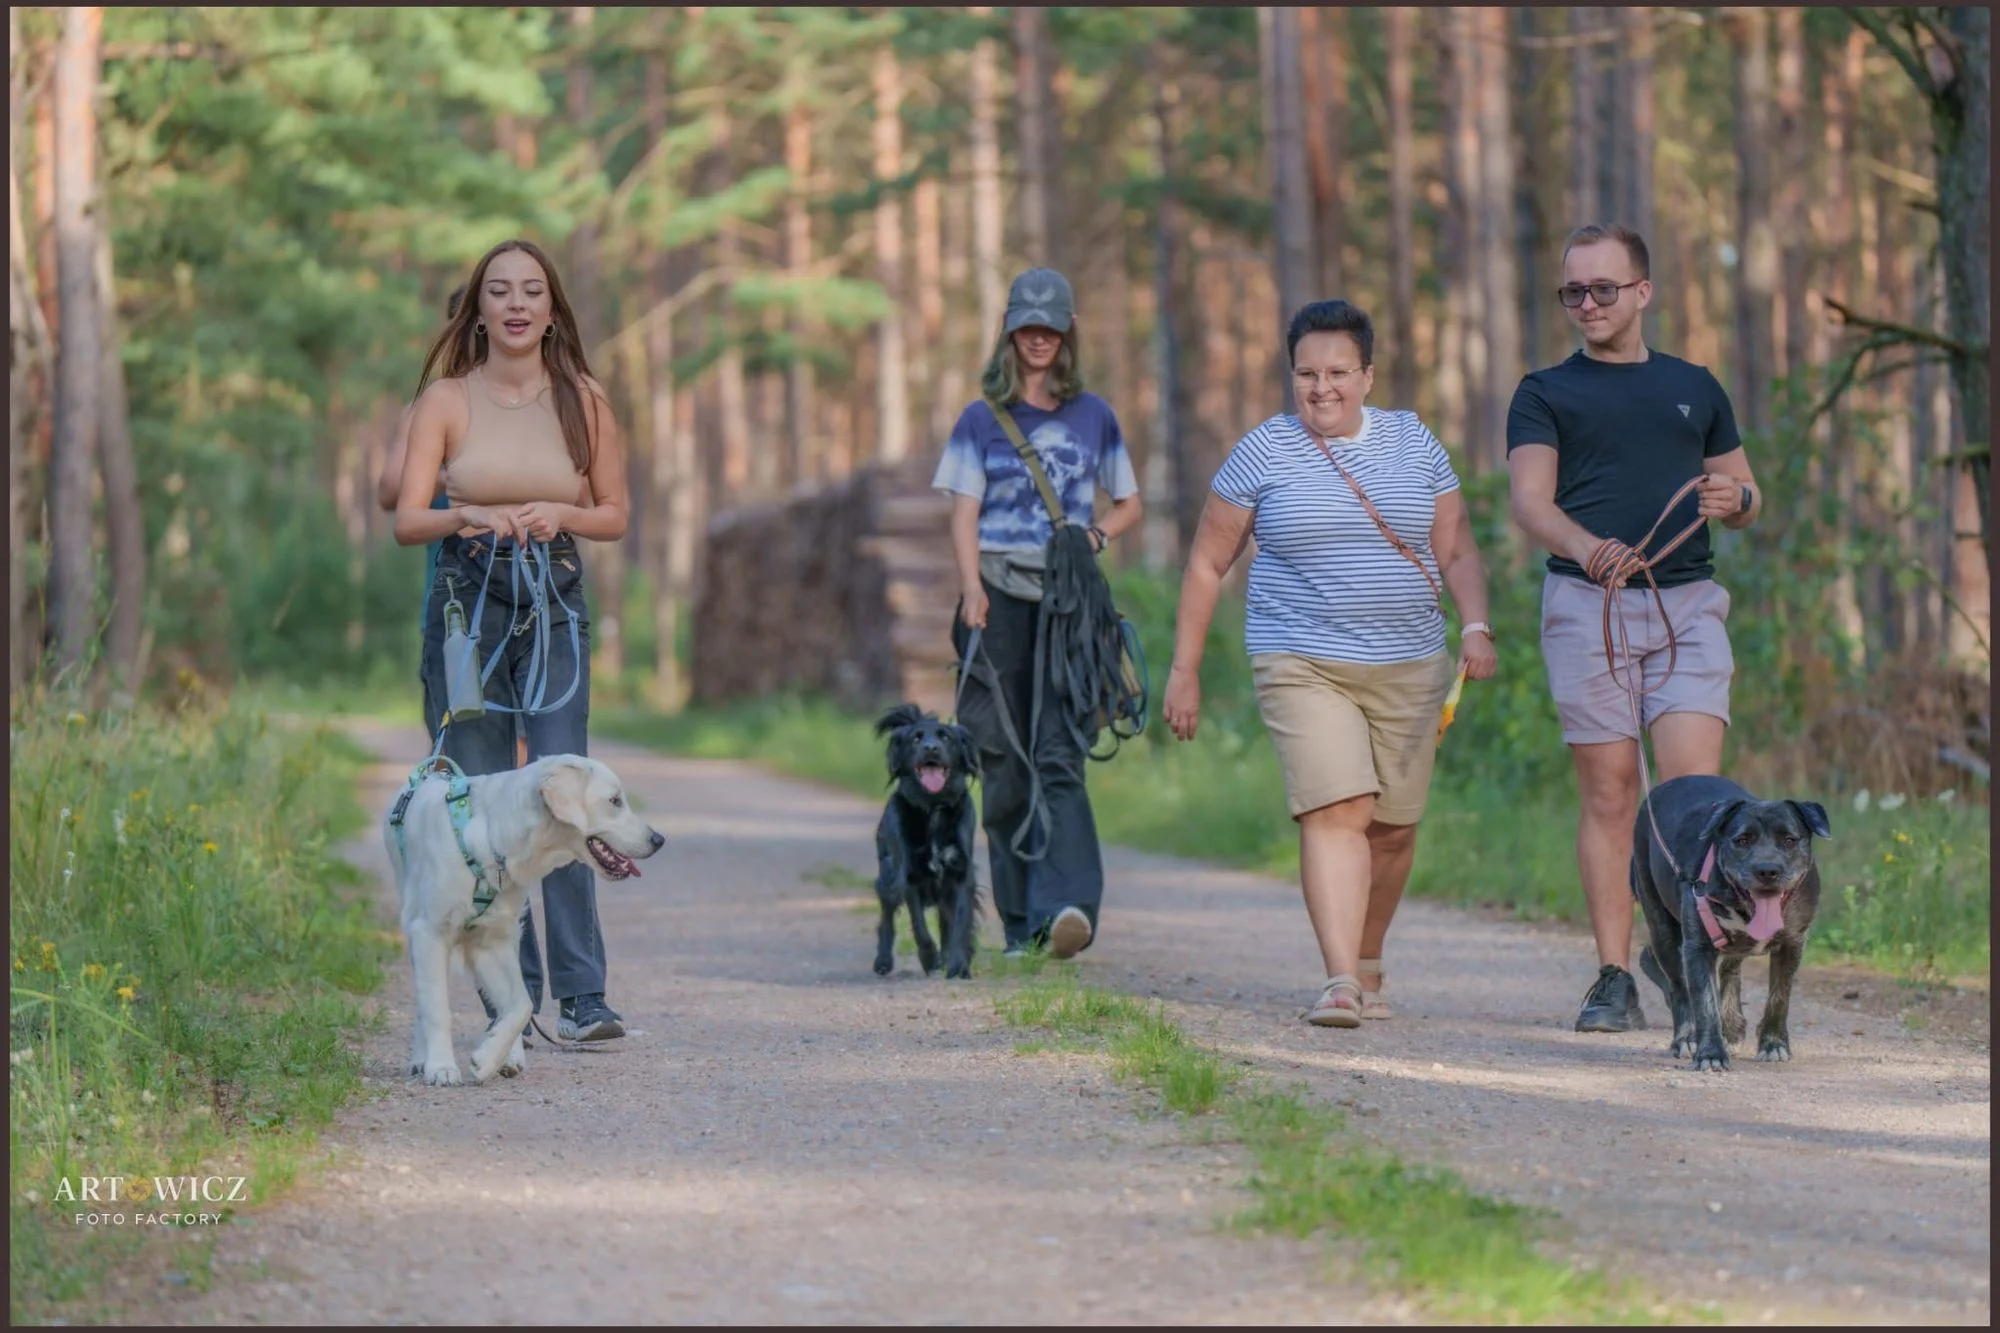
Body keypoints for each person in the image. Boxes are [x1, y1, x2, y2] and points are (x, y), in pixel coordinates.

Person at [1162, 299, 1497, 1027]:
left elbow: (1457, 547)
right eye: (1307, 374)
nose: (1322, 388)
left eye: (1338, 372)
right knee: (1338, 808)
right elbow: (1207, 562)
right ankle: (1340, 979)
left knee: (1394, 828)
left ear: (1368, 375)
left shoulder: (1414, 442)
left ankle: (1367, 957)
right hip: (1301, 658)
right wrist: (1184, 670)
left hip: (1411, 663)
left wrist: (1476, 625)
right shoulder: (1263, 451)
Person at [1504, 223, 1763, 1034]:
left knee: (1693, 799)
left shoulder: (1695, 386)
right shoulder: (1544, 392)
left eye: (1603, 288)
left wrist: (1735, 500)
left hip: (1689, 605)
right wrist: (1588, 548)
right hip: (1589, 608)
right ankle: (1615, 974)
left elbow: (1745, 493)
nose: (1587, 303)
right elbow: (1530, 502)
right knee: (1612, 792)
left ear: (1643, 291)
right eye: (1573, 291)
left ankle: (1697, 962)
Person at [393, 238, 633, 1043]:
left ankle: (583, 994)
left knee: (567, 785)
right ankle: (511, 999)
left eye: (532, 290)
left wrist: (561, 513)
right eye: (499, 290)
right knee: (480, 796)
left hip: (554, 596)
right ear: (479, 309)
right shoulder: (446, 401)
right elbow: (407, 520)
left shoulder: (584, 400)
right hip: (465, 605)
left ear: (553, 309)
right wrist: (467, 513)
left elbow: (614, 513)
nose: (517, 303)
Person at [932, 267, 1144, 960]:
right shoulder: (978, 419)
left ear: (1067, 332)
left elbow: (1129, 502)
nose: (1039, 338)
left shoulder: (1095, 415)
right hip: (994, 600)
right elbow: (963, 512)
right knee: (1003, 761)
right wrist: (971, 587)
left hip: (1066, 608)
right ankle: (1022, 924)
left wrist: (1097, 536)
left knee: (1059, 754)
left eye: (1050, 328)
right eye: (1028, 326)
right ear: (1010, 331)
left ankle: (1069, 909)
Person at [378, 285, 530, 770]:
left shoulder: (533, 400)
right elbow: (390, 489)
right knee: (456, 743)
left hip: (527, 595)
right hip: (453, 601)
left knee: (523, 745)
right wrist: (459, 474)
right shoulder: (431, 405)